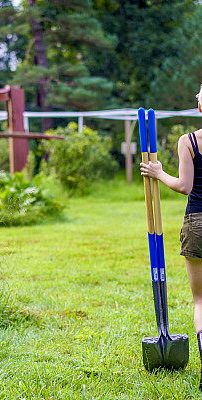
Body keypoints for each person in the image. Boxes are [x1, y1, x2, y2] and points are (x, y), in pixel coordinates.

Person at [140, 85, 202, 390]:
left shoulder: (189, 141)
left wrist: (157, 172)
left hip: (198, 223)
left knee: (201, 300)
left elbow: (185, 186)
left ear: (199, 108)